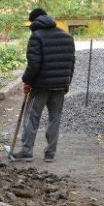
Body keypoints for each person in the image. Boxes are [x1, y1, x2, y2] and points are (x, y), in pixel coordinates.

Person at [12, 8, 75, 162]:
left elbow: (34, 64)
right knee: (55, 118)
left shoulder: (36, 36)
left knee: (32, 117)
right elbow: (71, 63)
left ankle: (26, 152)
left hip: (40, 86)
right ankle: (50, 154)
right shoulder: (67, 36)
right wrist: (67, 82)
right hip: (60, 85)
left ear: (34, 21)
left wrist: (27, 81)